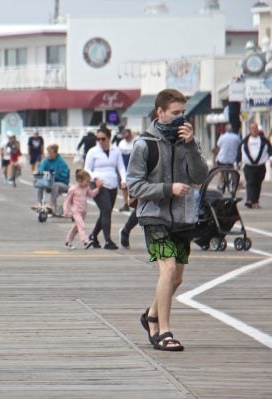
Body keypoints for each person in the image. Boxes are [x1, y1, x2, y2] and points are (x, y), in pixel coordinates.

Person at [127, 88, 208, 352]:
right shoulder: (144, 145)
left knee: (177, 279)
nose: (180, 118)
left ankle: (150, 314)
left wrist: (191, 146)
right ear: (160, 113)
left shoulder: (189, 142)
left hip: (183, 217)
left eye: (183, 113)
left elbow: (199, 176)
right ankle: (163, 331)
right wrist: (167, 189)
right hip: (154, 217)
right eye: (175, 113)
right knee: (168, 269)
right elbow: (134, 187)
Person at [84, 126, 126, 249]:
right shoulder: (93, 152)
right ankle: (108, 241)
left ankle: (93, 236)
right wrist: (95, 178)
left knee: (105, 212)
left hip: (112, 184)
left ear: (109, 138)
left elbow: (121, 167)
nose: (100, 141)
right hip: (98, 184)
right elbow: (87, 169)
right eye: (98, 139)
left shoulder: (116, 151)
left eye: (103, 139)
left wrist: (123, 180)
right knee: (106, 210)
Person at [63, 169, 102, 249]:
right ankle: (85, 241)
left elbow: (91, 194)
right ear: (80, 180)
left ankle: (68, 241)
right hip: (76, 211)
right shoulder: (73, 189)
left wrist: (98, 189)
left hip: (83, 212)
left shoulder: (86, 188)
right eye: (86, 181)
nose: (88, 183)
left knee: (76, 228)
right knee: (82, 226)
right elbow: (67, 201)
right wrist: (66, 210)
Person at [239, 121, 271, 208]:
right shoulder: (245, 140)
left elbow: (269, 151)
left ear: (258, 129)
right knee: (250, 183)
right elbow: (240, 152)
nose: (254, 130)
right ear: (250, 130)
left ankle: (255, 201)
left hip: (260, 166)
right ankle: (250, 200)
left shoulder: (263, 140)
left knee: (258, 184)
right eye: (252, 128)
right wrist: (238, 162)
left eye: (255, 128)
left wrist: (270, 159)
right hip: (249, 166)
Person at [34, 143, 70, 214]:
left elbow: (65, 176)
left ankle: (51, 205)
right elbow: (41, 168)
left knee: (55, 185)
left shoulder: (61, 162)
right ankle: (39, 203)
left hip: (62, 184)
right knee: (40, 183)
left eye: (50, 153)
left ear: (55, 152)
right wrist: (40, 172)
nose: (49, 154)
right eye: (48, 153)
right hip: (50, 182)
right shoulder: (46, 161)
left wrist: (54, 175)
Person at [117, 129, 135, 212]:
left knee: (134, 186)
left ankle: (135, 203)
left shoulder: (136, 142)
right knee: (124, 187)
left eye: (128, 136)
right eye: (125, 137)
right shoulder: (121, 144)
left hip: (134, 167)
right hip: (123, 167)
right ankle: (126, 204)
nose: (127, 138)